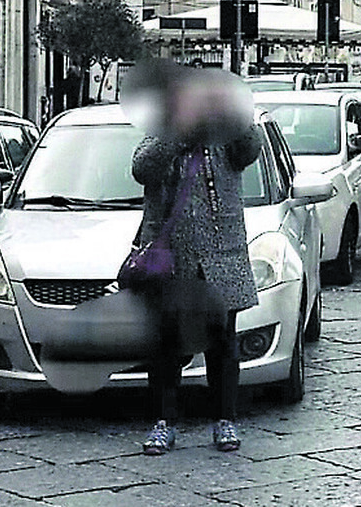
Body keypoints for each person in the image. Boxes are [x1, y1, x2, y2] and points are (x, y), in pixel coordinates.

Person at [130, 65, 261, 455]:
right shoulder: (163, 133)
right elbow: (141, 168)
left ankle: (225, 420)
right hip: (173, 261)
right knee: (167, 348)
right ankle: (164, 423)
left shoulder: (228, 137)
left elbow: (251, 148)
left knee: (222, 347)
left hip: (222, 259)